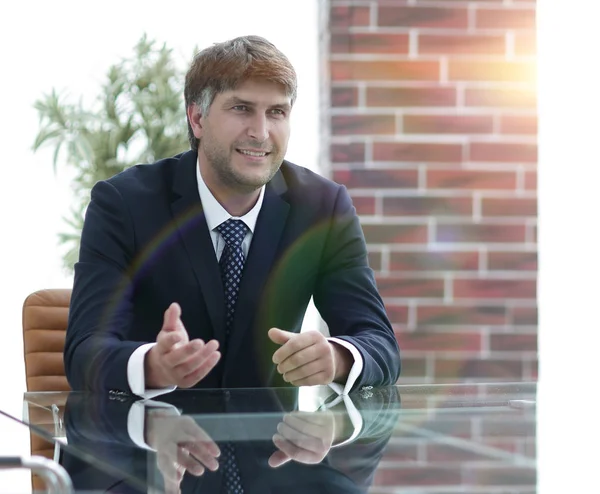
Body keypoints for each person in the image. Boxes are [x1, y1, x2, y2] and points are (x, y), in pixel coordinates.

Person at [64, 35, 401, 398]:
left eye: (277, 112)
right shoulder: (123, 204)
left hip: (272, 446)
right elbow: (85, 351)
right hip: (149, 443)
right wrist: (153, 366)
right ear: (197, 119)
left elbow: (379, 343)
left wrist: (338, 358)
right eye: (241, 108)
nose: (260, 132)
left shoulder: (323, 207)